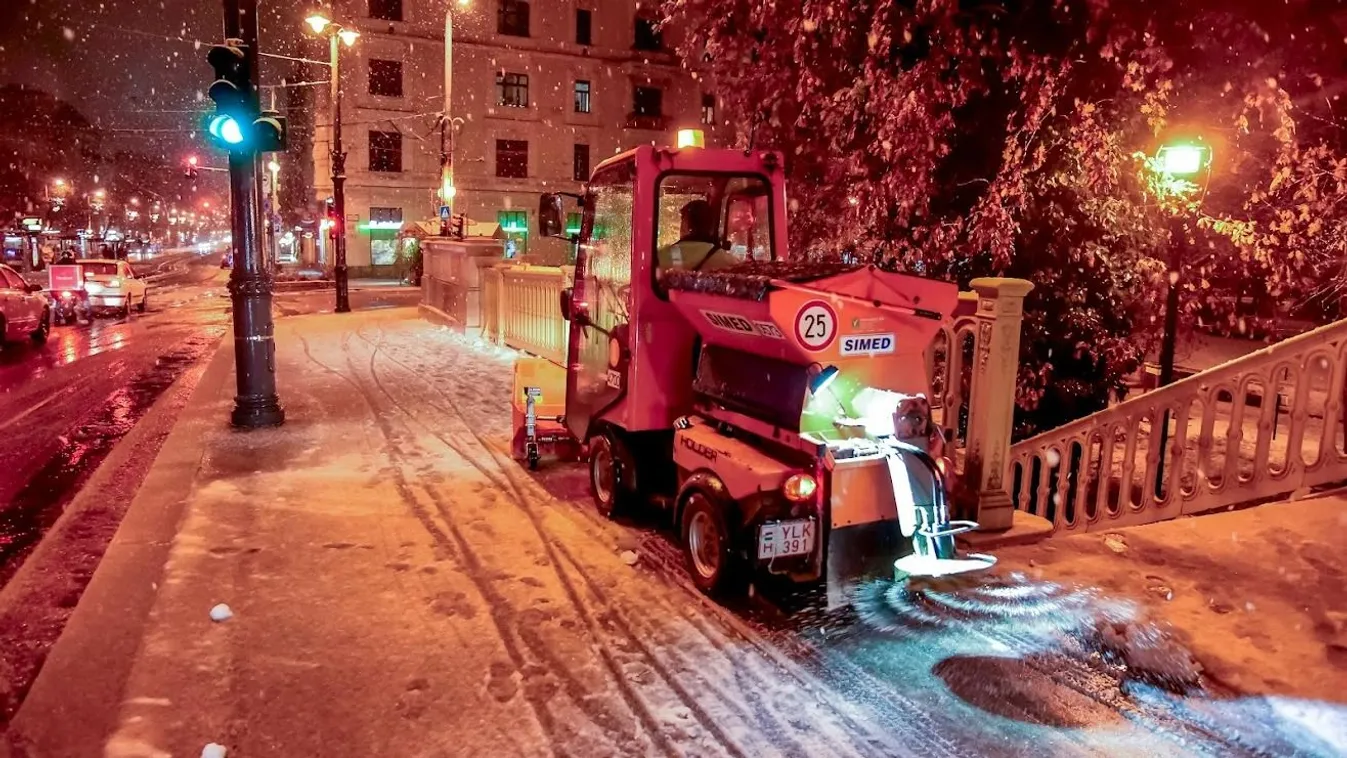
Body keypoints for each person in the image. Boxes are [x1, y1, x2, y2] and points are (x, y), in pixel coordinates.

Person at [657, 199, 736, 272]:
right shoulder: (729, 261)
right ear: (711, 227)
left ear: (685, 224)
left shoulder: (661, 257)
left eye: (682, 221)